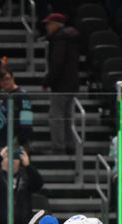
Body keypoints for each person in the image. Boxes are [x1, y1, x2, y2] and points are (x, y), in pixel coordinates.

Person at [43, 13, 79, 155]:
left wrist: (47, 81)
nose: (46, 27)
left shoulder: (59, 40)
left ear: (55, 25)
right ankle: (70, 145)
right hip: (71, 83)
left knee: (56, 116)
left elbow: (57, 63)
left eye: (48, 24)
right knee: (66, 116)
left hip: (61, 84)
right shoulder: (71, 39)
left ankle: (58, 146)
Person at [0, 66, 33, 149]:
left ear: (13, 78)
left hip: (16, 143)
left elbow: (27, 122)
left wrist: (19, 141)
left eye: (7, 79)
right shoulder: (3, 95)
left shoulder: (22, 95)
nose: (5, 82)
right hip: (3, 143)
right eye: (1, 80)